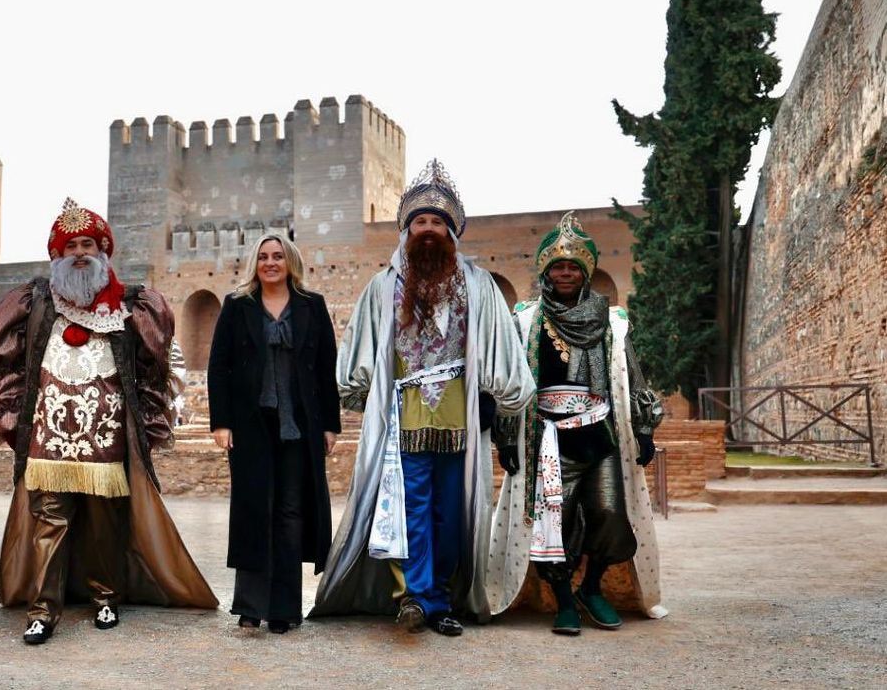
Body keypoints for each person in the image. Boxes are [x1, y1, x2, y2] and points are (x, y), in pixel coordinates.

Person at [311, 160, 535, 634]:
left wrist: (503, 397)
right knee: (411, 506)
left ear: (452, 231)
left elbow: (500, 348)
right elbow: (361, 352)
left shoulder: (478, 286)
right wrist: (361, 392)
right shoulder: (383, 287)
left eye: (437, 222)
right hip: (404, 416)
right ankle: (417, 597)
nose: (428, 230)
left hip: (460, 417)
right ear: (407, 230)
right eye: (420, 222)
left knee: (451, 512)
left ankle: (443, 595)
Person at [0, 198, 217, 646]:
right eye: (70, 245)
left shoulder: (131, 308)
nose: (79, 252)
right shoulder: (35, 304)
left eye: (87, 243)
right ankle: (42, 610)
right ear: (56, 254)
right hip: (48, 438)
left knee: (105, 524)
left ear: (103, 249)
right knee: (48, 522)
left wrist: (155, 419)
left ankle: (106, 598)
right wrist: (14, 418)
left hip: (106, 438)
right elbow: (6, 365)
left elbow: (160, 366)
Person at [486, 212, 667, 634]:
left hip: (599, 435)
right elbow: (511, 384)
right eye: (558, 266)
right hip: (548, 439)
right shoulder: (526, 321)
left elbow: (632, 376)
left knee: (609, 513)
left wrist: (643, 429)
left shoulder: (611, 321)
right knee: (556, 520)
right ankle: (564, 599)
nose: (565, 273)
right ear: (546, 271)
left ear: (585, 273)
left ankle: (593, 588)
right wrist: (506, 437)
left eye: (573, 266)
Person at [207, 234, 341, 634]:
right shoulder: (237, 305)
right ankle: (249, 607)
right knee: (253, 510)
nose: (270, 262)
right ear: (255, 264)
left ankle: (284, 609)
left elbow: (325, 367)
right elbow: (219, 365)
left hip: (299, 427)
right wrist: (221, 421)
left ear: (290, 262)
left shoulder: (311, 306)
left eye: (277, 256)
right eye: (263, 257)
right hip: (250, 425)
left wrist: (331, 424)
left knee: (290, 514)